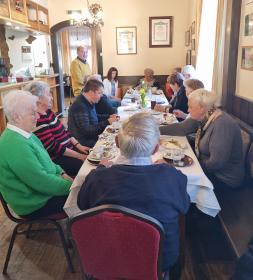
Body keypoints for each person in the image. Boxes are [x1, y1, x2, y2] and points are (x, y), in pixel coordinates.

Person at [77, 112, 190, 272]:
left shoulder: (96, 178)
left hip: (106, 259)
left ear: (117, 142)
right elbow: (184, 208)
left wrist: (101, 168)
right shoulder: (172, 176)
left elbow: (82, 205)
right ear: (156, 148)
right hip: (158, 260)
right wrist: (166, 168)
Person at [0, 90, 72, 219]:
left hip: (44, 192)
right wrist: (72, 186)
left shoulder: (26, 134)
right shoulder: (15, 144)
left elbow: (48, 161)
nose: (38, 117)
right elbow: (41, 182)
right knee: (87, 197)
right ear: (17, 117)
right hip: (34, 203)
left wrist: (62, 173)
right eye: (33, 113)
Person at [160, 89, 245, 188]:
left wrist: (185, 163)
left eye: (190, 107)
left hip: (224, 179)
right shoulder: (204, 116)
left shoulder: (222, 124)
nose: (188, 110)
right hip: (208, 170)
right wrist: (154, 131)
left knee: (171, 180)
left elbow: (215, 164)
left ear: (202, 108)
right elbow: (181, 128)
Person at [24, 81, 90, 177]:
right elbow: (53, 147)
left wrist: (79, 146)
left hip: (69, 150)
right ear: (38, 99)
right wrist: (80, 156)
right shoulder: (38, 119)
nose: (52, 97)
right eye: (48, 94)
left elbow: (66, 131)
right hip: (58, 158)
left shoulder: (49, 112)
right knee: (88, 167)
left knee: (93, 154)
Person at [68, 79, 119, 147]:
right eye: (99, 93)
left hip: (92, 136)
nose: (101, 96)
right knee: (112, 145)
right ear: (91, 92)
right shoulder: (80, 105)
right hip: (83, 142)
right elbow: (87, 131)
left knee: (115, 137)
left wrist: (109, 117)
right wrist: (107, 122)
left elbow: (94, 116)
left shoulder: (89, 100)